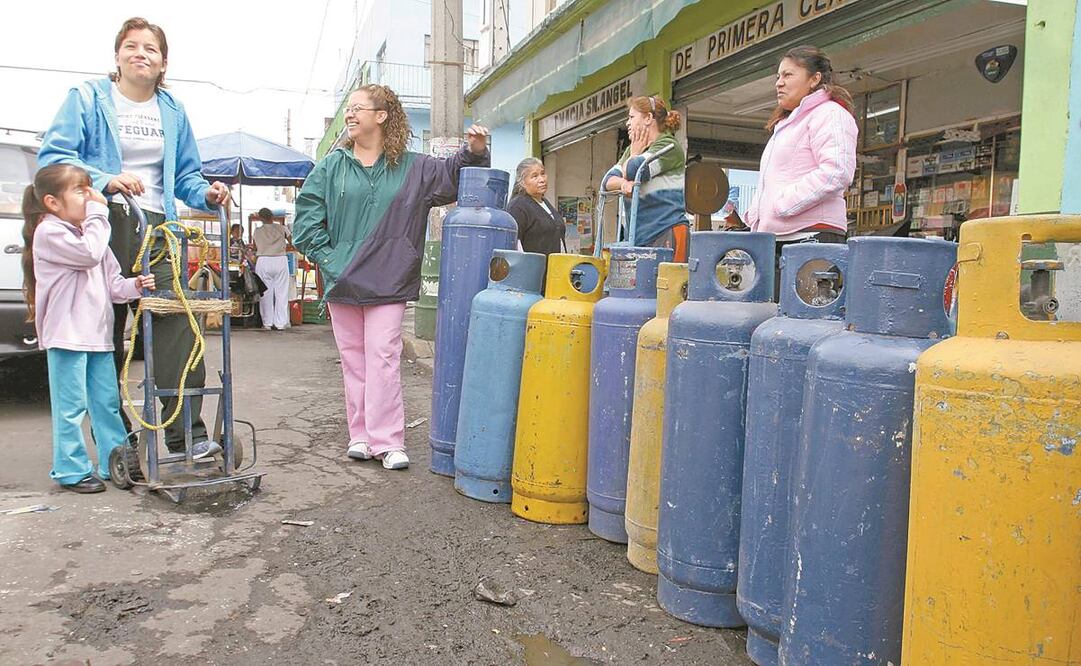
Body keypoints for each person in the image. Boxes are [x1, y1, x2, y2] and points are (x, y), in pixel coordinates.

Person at [38, 17, 230, 459]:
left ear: (164, 63)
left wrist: (206, 192)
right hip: (101, 221)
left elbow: (186, 175)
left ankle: (188, 435)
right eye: (131, 46)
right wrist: (106, 179)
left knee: (175, 321)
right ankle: (117, 438)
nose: (140, 53)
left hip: (159, 226)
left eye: (151, 48)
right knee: (105, 329)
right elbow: (55, 158)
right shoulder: (86, 98)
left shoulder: (173, 110)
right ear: (117, 55)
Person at [293, 84, 490, 471]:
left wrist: (475, 151)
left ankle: (388, 440)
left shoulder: (415, 167)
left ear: (382, 116)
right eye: (347, 109)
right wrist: (333, 260)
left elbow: (453, 175)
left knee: (382, 357)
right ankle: (361, 436)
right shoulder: (331, 167)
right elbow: (305, 222)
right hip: (342, 280)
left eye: (357, 108)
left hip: (388, 279)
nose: (349, 115)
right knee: (354, 361)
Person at [22, 164, 155, 493]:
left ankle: (116, 460)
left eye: (89, 190)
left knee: (105, 402)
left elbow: (113, 286)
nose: (89, 197)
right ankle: (70, 469)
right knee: (71, 408)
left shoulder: (91, 234)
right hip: (67, 336)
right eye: (80, 191)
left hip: (97, 336)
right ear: (53, 202)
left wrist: (135, 285)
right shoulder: (50, 232)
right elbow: (88, 254)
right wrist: (100, 212)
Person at [745, 45, 858, 297]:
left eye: (788, 75)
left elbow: (837, 171)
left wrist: (783, 205)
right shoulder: (788, 123)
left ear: (814, 79)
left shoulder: (830, 114)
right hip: (779, 240)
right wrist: (756, 214)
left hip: (812, 240)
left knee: (803, 329)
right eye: (777, 77)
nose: (779, 83)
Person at [603, 95, 688, 261]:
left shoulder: (669, 147)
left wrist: (634, 155)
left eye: (631, 117)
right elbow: (607, 181)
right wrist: (623, 184)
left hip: (666, 230)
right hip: (640, 237)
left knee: (667, 285)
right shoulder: (632, 150)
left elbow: (636, 170)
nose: (627, 123)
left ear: (648, 118)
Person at [506, 158, 565, 255]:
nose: (542, 180)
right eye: (534, 176)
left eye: (543, 173)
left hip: (554, 267)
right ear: (522, 182)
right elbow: (514, 244)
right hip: (532, 268)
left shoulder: (545, 203)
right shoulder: (517, 206)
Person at [252, 207, 291, 330]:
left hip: (263, 260)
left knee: (266, 293)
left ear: (261, 218)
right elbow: (293, 241)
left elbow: (254, 246)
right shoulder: (282, 228)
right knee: (282, 293)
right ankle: (280, 323)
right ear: (272, 217)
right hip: (280, 259)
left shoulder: (257, 231)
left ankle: (267, 323)